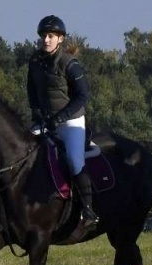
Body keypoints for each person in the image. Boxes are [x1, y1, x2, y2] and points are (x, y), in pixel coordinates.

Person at [26, 15, 98, 231]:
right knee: (22, 151)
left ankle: (88, 210)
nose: (45, 40)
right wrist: (36, 111)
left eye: (50, 36)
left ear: (60, 39)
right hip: (46, 122)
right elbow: (31, 90)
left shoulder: (69, 63)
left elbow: (82, 96)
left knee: (75, 161)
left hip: (71, 122)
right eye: (43, 36)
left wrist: (60, 117)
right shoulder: (35, 61)